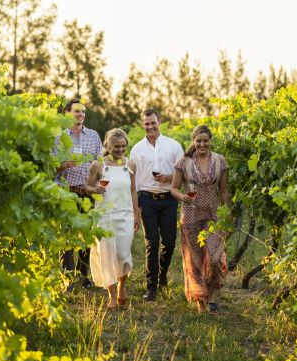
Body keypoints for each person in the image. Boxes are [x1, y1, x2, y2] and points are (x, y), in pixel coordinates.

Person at [171, 125, 232, 314]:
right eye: (199, 141)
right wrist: (183, 197)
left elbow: (223, 191)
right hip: (190, 214)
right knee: (195, 258)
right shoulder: (184, 161)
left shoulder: (220, 161)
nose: (202, 144)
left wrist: (228, 214)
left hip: (213, 215)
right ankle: (201, 301)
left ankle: (213, 294)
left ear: (210, 141)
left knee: (214, 257)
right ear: (193, 141)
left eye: (205, 140)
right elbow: (173, 188)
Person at [130, 109, 184, 301]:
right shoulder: (136, 150)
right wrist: (136, 210)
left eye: (153, 122)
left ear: (159, 121)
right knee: (152, 243)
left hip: (168, 199)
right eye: (146, 123)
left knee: (169, 242)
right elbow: (133, 182)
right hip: (147, 200)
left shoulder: (174, 146)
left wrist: (169, 177)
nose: (150, 126)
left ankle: (162, 275)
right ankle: (151, 287)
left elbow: (183, 173)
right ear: (142, 125)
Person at [85, 128, 141, 309]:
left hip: (125, 215)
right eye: (116, 146)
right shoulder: (98, 165)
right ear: (108, 145)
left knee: (124, 255)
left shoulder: (130, 165)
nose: (120, 149)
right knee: (108, 255)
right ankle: (112, 295)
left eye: (123, 146)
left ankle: (122, 285)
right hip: (105, 216)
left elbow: (133, 190)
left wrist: (136, 214)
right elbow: (88, 187)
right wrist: (95, 190)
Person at [54, 98, 102, 290]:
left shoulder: (93, 135)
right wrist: (64, 164)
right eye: (76, 111)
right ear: (67, 113)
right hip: (67, 193)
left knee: (86, 236)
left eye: (82, 111)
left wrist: (97, 177)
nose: (80, 114)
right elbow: (52, 166)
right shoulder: (59, 137)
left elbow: (100, 163)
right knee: (66, 237)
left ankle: (83, 276)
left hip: (87, 193)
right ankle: (68, 278)